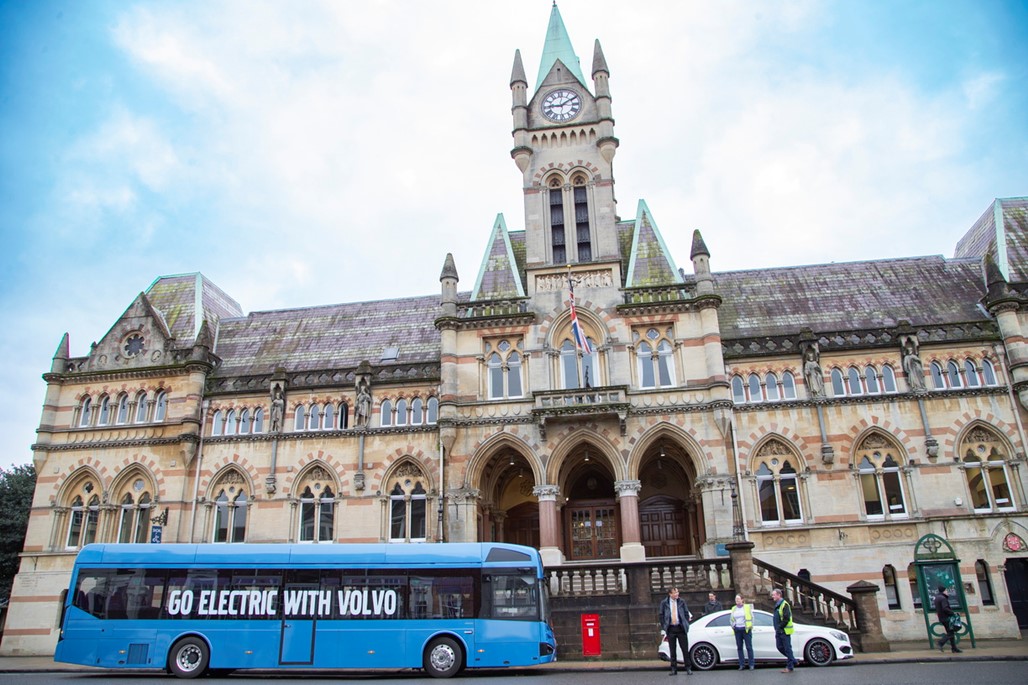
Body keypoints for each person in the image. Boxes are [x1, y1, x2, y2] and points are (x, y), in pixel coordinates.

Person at [659, 587, 692, 675]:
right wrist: (664, 626)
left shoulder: (682, 602)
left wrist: (685, 624)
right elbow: (661, 615)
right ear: (670, 594)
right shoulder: (664, 603)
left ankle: (688, 667)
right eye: (675, 592)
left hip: (681, 628)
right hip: (671, 628)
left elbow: (686, 613)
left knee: (685, 649)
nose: (677, 594)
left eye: (677, 592)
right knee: (672, 650)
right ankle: (674, 668)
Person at [771, 588, 797, 673]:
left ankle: (790, 667)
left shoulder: (784, 604)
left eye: (774, 595)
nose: (772, 596)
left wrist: (780, 627)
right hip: (779, 631)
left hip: (784, 631)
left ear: (779, 595)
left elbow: (786, 618)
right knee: (779, 647)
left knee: (787, 648)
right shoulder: (778, 604)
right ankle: (793, 660)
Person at [933, 585, 962, 653]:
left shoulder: (937, 598)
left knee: (950, 632)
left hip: (942, 618)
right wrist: (952, 613)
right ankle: (940, 643)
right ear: (944, 591)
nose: (947, 592)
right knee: (950, 633)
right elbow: (945, 608)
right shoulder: (943, 598)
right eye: (946, 591)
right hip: (947, 618)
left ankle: (954, 648)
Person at [731, 594, 755, 671]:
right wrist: (734, 626)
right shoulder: (734, 608)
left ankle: (751, 664)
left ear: (742, 600)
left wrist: (750, 626)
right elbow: (731, 619)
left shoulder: (747, 607)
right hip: (738, 629)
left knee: (749, 647)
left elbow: (752, 617)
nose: (737, 601)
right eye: (736, 599)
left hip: (746, 629)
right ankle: (742, 664)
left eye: (738, 599)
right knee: (739, 648)